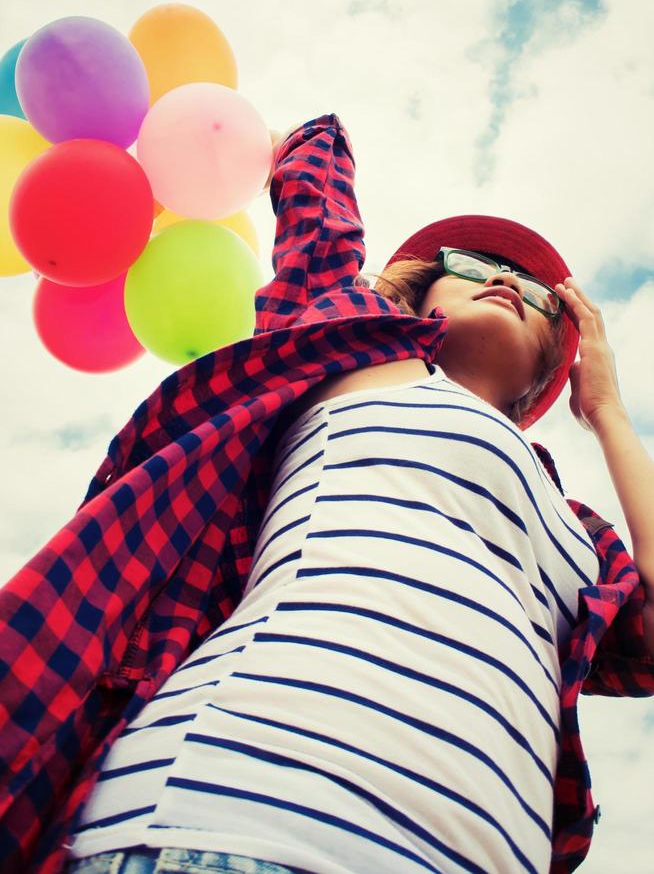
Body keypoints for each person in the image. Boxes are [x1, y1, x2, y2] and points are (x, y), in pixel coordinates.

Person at [1, 115, 653, 874]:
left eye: (543, 296)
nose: (506, 280)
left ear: (559, 354)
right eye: (471, 264)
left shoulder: (584, 538)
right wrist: (271, 137)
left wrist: (609, 412)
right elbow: (317, 211)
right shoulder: (361, 355)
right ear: (418, 295)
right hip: (225, 827)